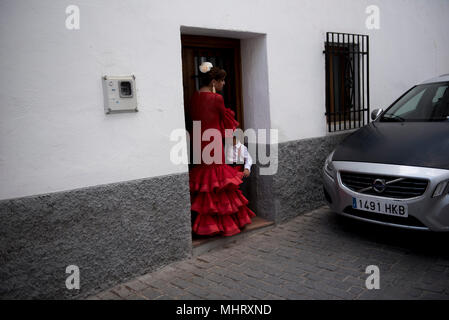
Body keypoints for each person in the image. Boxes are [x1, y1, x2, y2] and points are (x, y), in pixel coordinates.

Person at [188, 62, 255, 237]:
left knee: (206, 179)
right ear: (214, 82)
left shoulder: (194, 96)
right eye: (222, 81)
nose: (223, 84)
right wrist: (234, 140)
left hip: (199, 141)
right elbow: (227, 123)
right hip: (213, 141)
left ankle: (206, 224)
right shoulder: (216, 99)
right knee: (218, 180)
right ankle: (222, 223)